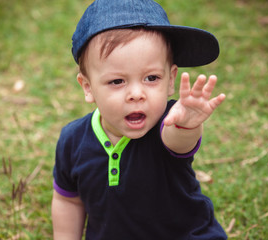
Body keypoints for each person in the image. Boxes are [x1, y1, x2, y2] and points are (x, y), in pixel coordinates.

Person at [51, 0, 227, 239]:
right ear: (88, 87)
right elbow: (68, 201)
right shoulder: (72, 141)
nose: (136, 94)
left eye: (151, 78)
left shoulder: (168, 122)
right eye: (117, 81)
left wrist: (187, 124)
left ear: (170, 80)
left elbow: (179, 140)